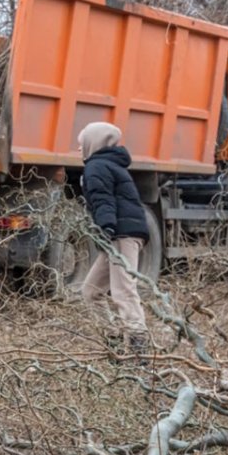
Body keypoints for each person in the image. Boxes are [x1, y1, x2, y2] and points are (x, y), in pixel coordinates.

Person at [77, 122, 151, 355]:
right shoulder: (110, 164)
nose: (79, 149)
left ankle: (139, 348)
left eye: (82, 144)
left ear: (93, 143)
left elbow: (103, 199)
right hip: (120, 234)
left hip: (121, 234)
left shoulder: (97, 166)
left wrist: (106, 227)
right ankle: (113, 342)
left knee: (123, 291)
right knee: (91, 291)